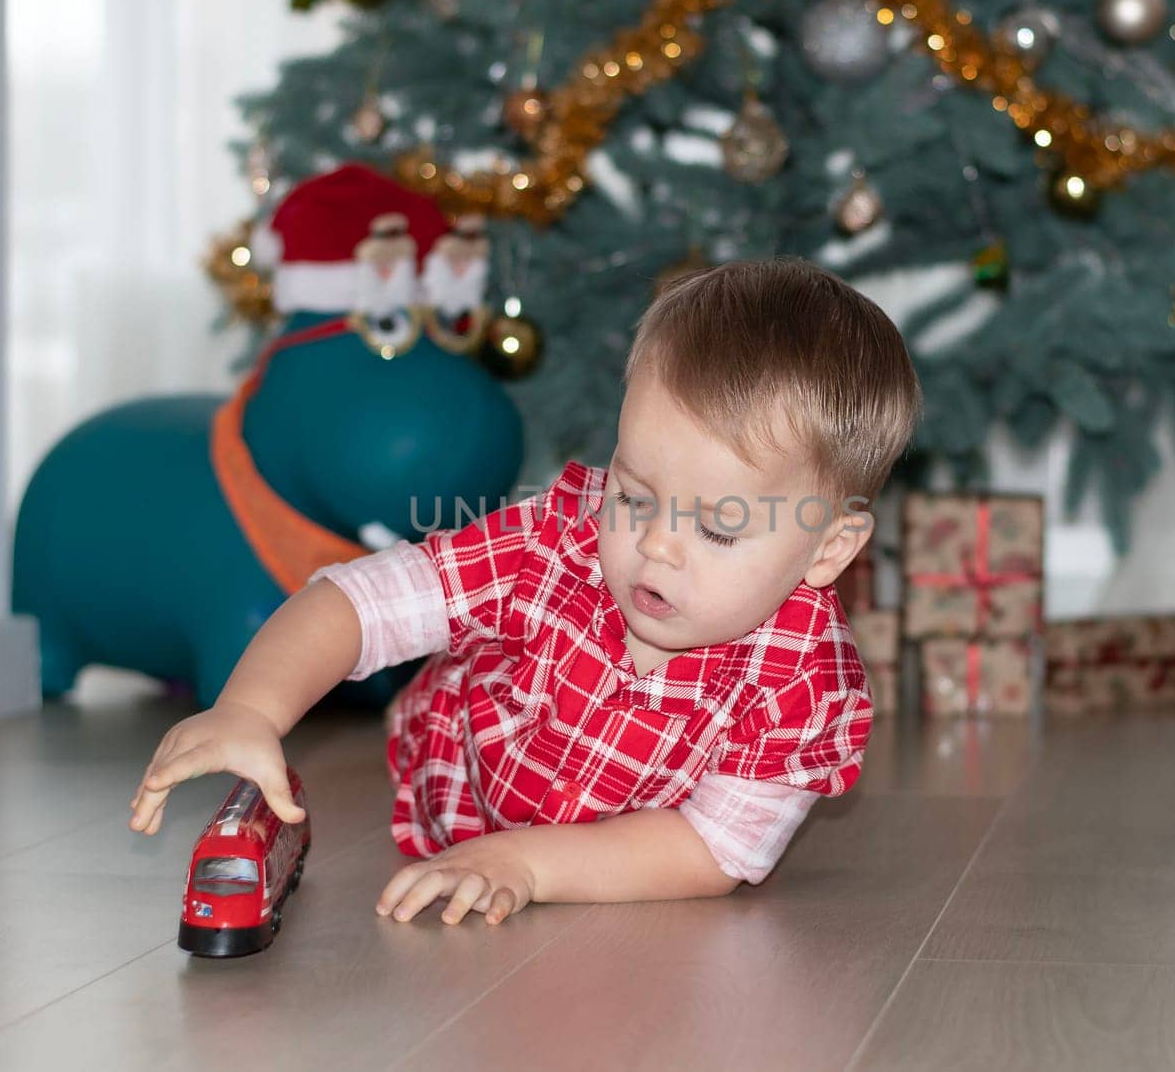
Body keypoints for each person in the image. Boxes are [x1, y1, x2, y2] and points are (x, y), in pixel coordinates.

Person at [130, 256, 922, 926]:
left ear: (829, 549)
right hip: (462, 774)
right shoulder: (552, 542)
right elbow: (359, 602)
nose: (654, 543)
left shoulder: (808, 684)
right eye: (634, 494)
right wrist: (251, 708)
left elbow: (713, 849)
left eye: (718, 528)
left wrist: (528, 863)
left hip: (613, 853)